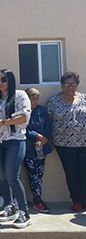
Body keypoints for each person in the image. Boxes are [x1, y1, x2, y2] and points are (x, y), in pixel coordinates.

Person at [0, 69, 32, 229]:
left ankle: (24, 212)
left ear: (10, 80)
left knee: (12, 176)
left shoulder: (20, 96)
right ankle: (10, 207)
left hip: (15, 140)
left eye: (3, 79)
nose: (0, 83)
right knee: (1, 176)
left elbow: (24, 118)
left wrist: (3, 122)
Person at [47, 71, 86, 212]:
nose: (70, 87)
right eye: (66, 84)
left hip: (84, 142)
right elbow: (49, 122)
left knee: (84, 171)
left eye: (73, 84)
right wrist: (49, 140)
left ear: (77, 85)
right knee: (71, 172)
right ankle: (77, 200)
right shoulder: (53, 101)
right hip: (63, 143)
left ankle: (85, 199)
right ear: (62, 85)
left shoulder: (84, 99)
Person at [24, 88, 52, 213]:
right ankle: (37, 199)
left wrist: (44, 138)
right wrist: (37, 136)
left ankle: (38, 197)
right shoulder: (24, 111)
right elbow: (25, 128)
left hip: (42, 147)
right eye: (32, 99)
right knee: (32, 174)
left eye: (36, 99)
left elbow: (47, 125)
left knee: (40, 174)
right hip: (29, 147)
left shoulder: (41, 110)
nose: (35, 102)